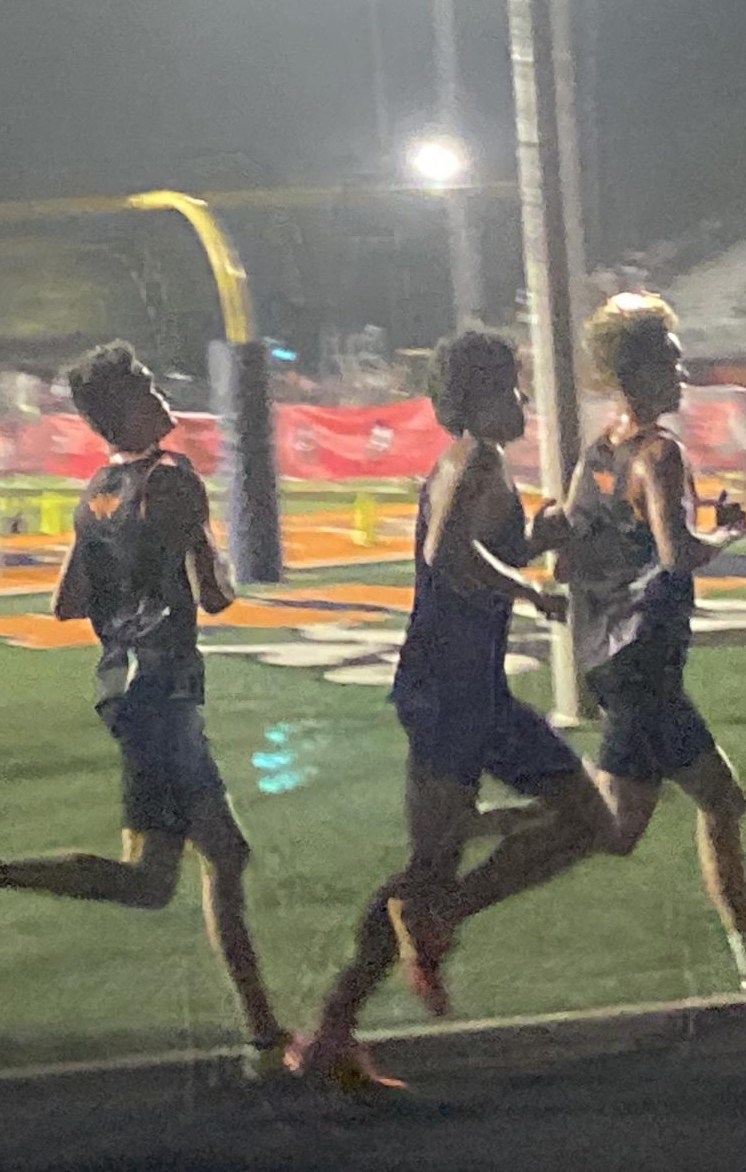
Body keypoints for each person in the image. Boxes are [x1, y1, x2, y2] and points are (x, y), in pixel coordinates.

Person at [0, 340, 287, 1071]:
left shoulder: (96, 493)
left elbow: (64, 602)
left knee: (188, 868)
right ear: (123, 408)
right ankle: (263, 1035)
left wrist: (126, 585)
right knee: (185, 869)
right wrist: (197, 567)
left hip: (126, 688)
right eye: (146, 384)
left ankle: (263, 1034)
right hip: (164, 691)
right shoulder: (174, 480)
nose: (161, 391)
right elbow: (214, 595)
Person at [288, 331, 614, 1091]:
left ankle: (420, 935)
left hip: (470, 689)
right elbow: (447, 557)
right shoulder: (476, 462)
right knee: (442, 860)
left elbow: (474, 554)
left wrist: (534, 541)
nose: (524, 402)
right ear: (473, 400)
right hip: (448, 692)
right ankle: (337, 1027)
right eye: (511, 390)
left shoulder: (464, 464)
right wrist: (530, 589)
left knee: (582, 820)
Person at [560, 291, 746, 1009]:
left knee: (697, 805)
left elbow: (570, 549)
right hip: (647, 660)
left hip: (616, 657)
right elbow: (679, 557)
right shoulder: (658, 453)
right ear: (640, 370)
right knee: (633, 823)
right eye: (672, 364)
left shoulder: (594, 456)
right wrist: (729, 536)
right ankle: (459, 878)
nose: (683, 376)